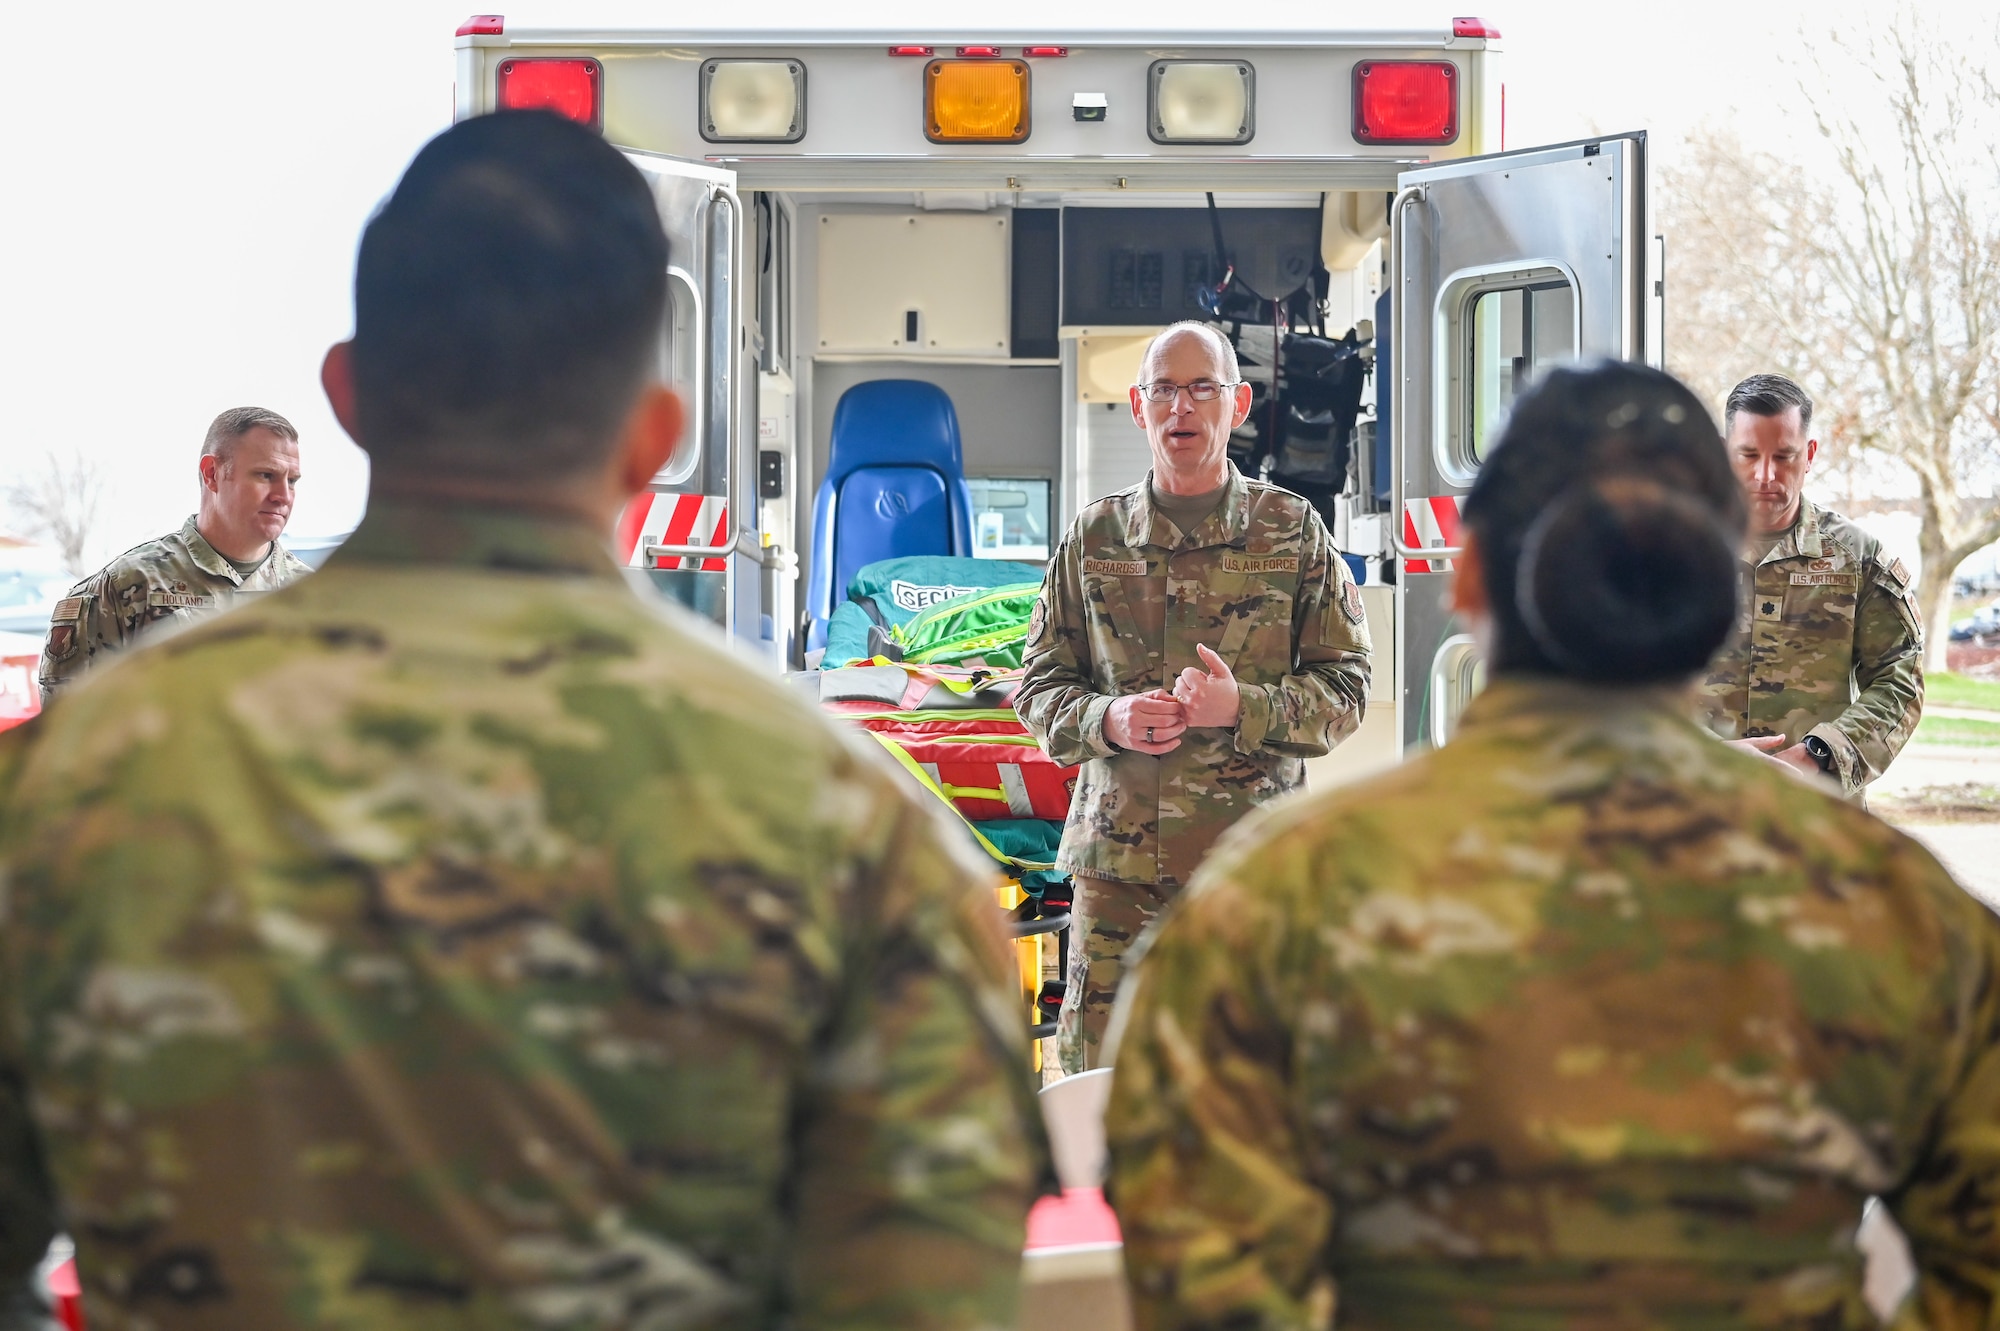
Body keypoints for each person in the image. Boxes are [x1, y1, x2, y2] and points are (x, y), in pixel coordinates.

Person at [0, 111, 1043, 1330]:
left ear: (348, 397)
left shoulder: (88, 777)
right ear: (658, 436)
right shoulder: (855, 824)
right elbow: (939, 1288)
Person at [1105, 362, 2000, 1330]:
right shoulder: (1893, 911)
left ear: (1471, 573)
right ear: (1718, 591)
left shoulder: (1279, 894)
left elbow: (1192, 1263)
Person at [1015, 320, 1372, 1075]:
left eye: (1202, 387)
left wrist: (1242, 706)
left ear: (1237, 404)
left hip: (1246, 871)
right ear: (1140, 408)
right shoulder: (1094, 538)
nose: (1184, 407)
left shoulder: (1291, 532)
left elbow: (1347, 687)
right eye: (1165, 390)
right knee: (1099, 1089)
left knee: (1247, 1090)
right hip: (1115, 874)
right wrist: (1103, 718)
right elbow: (1038, 683)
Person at [1696, 373, 1923, 795]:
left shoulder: (1858, 558)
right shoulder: (1667, 551)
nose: (1765, 474)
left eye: (1784, 456)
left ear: (1810, 453)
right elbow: (1621, 682)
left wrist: (1822, 754)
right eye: (1748, 455)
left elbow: (1901, 676)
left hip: (1816, 818)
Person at [36, 406, 311, 704]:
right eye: (266, 475)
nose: (283, 496)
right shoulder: (125, 587)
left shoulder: (316, 595)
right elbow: (64, 731)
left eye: (292, 480)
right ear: (212, 474)